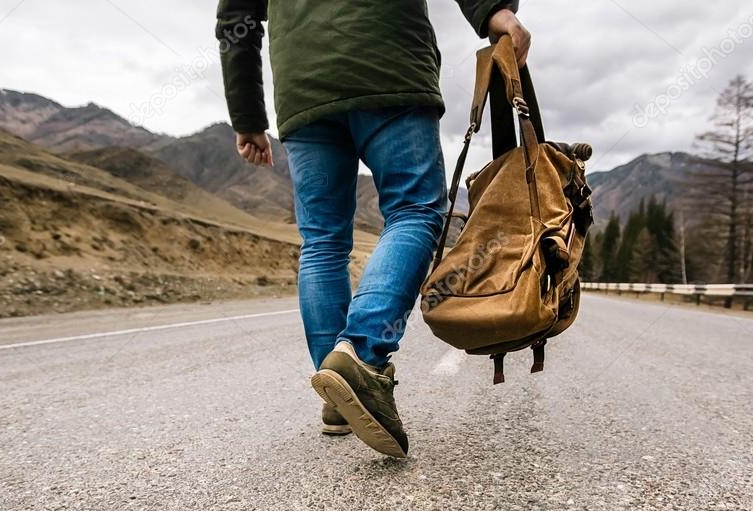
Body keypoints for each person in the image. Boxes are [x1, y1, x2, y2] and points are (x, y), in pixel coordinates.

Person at [217, 1, 531, 458]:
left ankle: (338, 397)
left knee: (322, 241)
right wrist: (493, 11)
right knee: (415, 210)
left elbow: (234, 19)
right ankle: (361, 355)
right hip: (390, 69)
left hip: (305, 91)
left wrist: (246, 117)